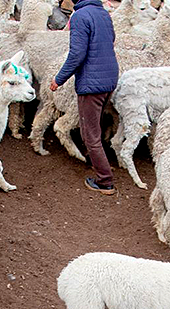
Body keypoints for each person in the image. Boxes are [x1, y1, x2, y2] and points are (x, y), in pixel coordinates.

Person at [50, 0, 118, 196]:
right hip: (110, 77)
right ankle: (98, 161)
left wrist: (58, 79)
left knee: (90, 134)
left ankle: (105, 181)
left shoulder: (80, 16)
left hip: (92, 83)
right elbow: (111, 40)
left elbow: (77, 54)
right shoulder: (103, 13)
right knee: (96, 125)